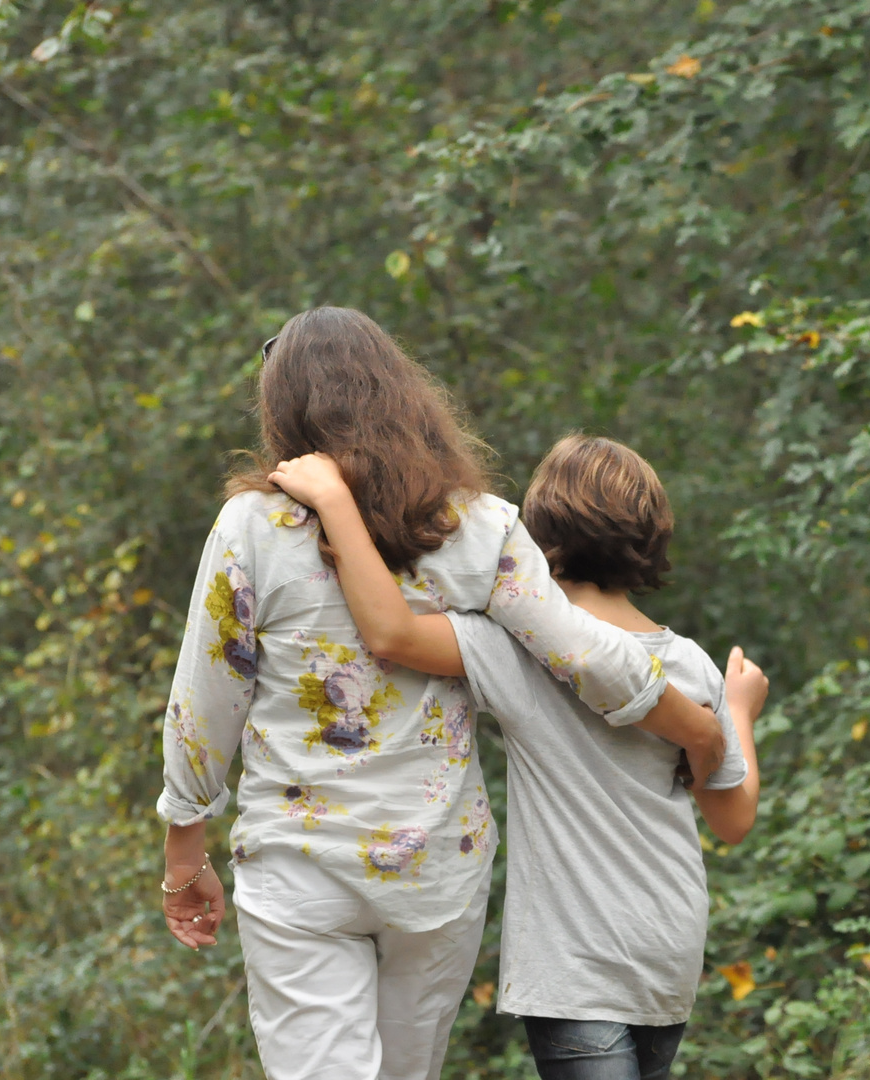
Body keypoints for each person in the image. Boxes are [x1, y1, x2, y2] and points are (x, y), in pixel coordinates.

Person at [155, 307, 726, 1080]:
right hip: (434, 872)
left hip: (300, 867)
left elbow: (205, 703)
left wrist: (185, 853)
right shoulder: (481, 528)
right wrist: (699, 727)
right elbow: (587, 654)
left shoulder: (253, 527)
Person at [268, 433, 767, 1080]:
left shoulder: (519, 652)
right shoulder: (690, 666)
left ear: (539, 536)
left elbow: (390, 632)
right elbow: (733, 820)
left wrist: (337, 505)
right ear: (652, 533)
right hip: (668, 949)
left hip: (574, 966)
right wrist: (740, 713)